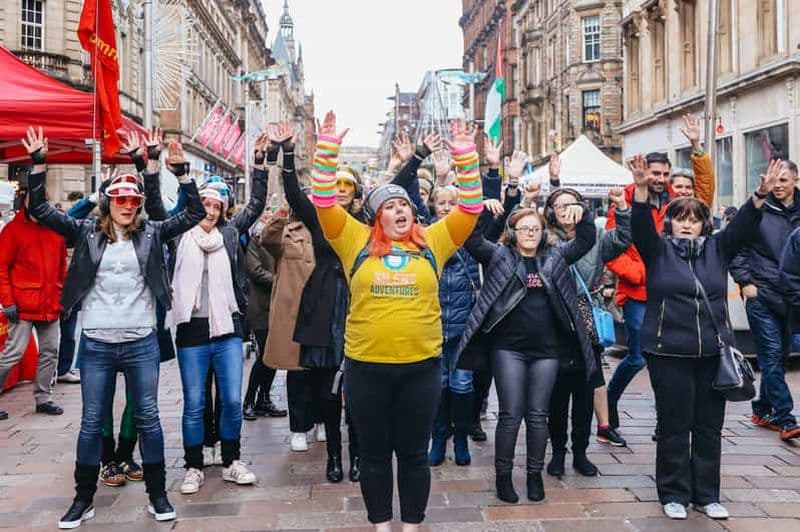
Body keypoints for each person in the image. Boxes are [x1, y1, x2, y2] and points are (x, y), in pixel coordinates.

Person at [22, 126, 205, 528]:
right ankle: (83, 499)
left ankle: (157, 495)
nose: (127, 204)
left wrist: (181, 172)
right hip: (98, 343)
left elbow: (194, 214)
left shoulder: (153, 232)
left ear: (139, 204)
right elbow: (42, 211)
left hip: (141, 340)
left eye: (133, 199)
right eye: (120, 198)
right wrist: (38, 165)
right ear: (108, 202)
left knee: (149, 417)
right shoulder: (86, 231)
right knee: (91, 421)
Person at [312, 113, 482, 531]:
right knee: (372, 454)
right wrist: (327, 150)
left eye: (404, 203)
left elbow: (470, 208)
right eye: (389, 206)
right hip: (366, 369)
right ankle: (381, 525)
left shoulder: (434, 242)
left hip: (421, 369)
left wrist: (464, 154)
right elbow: (323, 203)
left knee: (412, 454)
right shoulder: (353, 239)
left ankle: (411, 526)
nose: (400, 210)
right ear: (375, 218)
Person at [629, 153, 777, 520]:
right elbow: (640, 227)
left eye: (694, 220)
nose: (687, 225)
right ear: (670, 224)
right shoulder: (657, 250)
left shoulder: (717, 248)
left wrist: (759, 195)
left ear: (704, 225)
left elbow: (743, 226)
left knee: (709, 428)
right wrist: (642, 191)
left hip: (713, 352)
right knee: (675, 425)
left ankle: (707, 493)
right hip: (668, 352)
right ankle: (673, 493)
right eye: (680, 219)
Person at [144, 133, 267, 496]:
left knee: (231, 400)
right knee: (195, 403)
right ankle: (194, 465)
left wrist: (259, 163)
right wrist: (154, 164)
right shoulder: (179, 233)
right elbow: (154, 206)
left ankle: (231, 460)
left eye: (217, 206)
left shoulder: (230, 232)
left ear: (225, 210)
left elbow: (257, 204)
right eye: (206, 205)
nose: (211, 212)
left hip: (228, 329)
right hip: (192, 331)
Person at [457, 187, 597, 504]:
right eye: (524, 229)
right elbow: (471, 240)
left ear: (543, 232)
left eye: (535, 228)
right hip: (508, 350)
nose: (530, 234)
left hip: (547, 351)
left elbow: (586, 240)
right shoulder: (500, 256)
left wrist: (582, 213)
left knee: (538, 415)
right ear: (513, 232)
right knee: (510, 414)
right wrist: (481, 208)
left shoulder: (555, 256)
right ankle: (503, 478)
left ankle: (534, 475)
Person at [604, 114, 715, 431]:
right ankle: (610, 400)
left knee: (666, 360)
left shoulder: (677, 203)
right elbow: (612, 250)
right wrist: (641, 273)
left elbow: (704, 191)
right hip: (639, 293)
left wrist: (696, 147)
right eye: (656, 173)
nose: (660, 178)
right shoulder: (625, 200)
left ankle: (666, 420)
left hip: (672, 292)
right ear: (644, 172)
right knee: (641, 357)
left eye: (665, 173)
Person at [272, 120, 359, 482]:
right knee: (326, 386)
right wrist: (287, 152)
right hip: (323, 301)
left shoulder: (368, 221)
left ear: (356, 193)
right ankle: (334, 458)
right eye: (335, 185)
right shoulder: (319, 217)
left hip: (357, 302)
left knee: (355, 388)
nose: (340, 192)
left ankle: (357, 457)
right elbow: (294, 194)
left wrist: (416, 158)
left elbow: (400, 193)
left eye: (347, 187)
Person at [544, 185, 631, 478]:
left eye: (572, 204)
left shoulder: (594, 238)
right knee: (556, 396)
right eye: (560, 206)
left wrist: (621, 209)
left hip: (587, 320)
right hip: (554, 323)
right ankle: (557, 452)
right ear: (551, 213)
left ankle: (580, 452)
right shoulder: (545, 241)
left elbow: (622, 240)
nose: (567, 210)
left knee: (584, 392)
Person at [731, 159, 800, 440]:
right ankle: (785, 417)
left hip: (793, 297)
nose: (779, 185)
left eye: (785, 179)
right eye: (776, 180)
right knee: (771, 356)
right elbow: (736, 246)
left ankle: (761, 408)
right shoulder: (757, 209)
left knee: (780, 358)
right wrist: (745, 282)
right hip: (762, 294)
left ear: (796, 180)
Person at [0, 169, 66, 420]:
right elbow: (1, 267)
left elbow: (62, 267)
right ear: (25, 201)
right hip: (22, 304)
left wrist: (64, 295)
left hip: (50, 302)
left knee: (50, 351)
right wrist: (8, 301)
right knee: (12, 353)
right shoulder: (13, 231)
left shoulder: (55, 230)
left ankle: (43, 397)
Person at [242, 208, 287, 420]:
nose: (270, 218)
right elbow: (255, 270)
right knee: (264, 357)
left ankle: (264, 399)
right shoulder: (256, 240)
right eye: (267, 215)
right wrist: (283, 282)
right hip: (261, 307)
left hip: (279, 306)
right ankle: (249, 401)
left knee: (274, 356)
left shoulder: (282, 239)